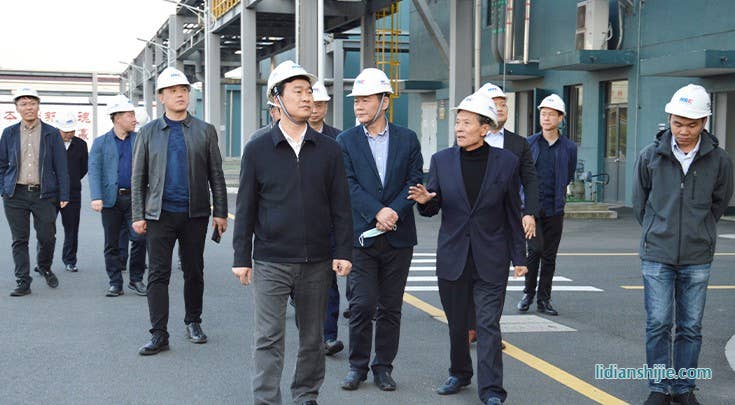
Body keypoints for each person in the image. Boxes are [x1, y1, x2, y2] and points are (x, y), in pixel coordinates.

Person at [232, 60, 353, 405]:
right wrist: (242, 257)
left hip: (316, 261)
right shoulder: (258, 149)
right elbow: (246, 206)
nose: (307, 98)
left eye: (309, 91)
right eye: (298, 91)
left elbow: (341, 205)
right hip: (271, 260)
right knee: (268, 337)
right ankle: (266, 399)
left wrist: (343, 251)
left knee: (313, 339)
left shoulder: (329, 149)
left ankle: (305, 395)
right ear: (277, 98)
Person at [409, 92, 527, 405]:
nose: (459, 128)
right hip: (453, 256)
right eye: (458, 122)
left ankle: (492, 390)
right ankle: (459, 372)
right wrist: (427, 201)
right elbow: (433, 207)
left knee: (487, 325)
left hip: (492, 256)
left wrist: (520, 256)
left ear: (485, 128)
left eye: (466, 123)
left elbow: (513, 212)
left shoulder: (506, 162)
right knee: (458, 324)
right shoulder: (442, 161)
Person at [633, 84, 733, 405]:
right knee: (658, 324)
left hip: (697, 255)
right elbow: (640, 203)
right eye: (678, 123)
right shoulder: (650, 156)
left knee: (690, 326)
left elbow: (719, 203)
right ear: (669, 119)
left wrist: (698, 230)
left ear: (704, 122)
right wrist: (657, 229)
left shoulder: (720, 160)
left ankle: (684, 388)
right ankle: (659, 388)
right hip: (657, 254)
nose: (684, 131)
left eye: (692, 124)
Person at [337, 68, 423, 392]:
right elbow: (348, 185)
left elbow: (414, 180)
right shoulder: (345, 141)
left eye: (365, 99)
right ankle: (357, 367)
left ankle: (383, 367)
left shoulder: (407, 139)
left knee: (390, 307)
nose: (358, 106)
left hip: (399, 238)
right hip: (362, 236)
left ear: (385, 101)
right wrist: (377, 211)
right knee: (361, 304)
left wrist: (393, 211)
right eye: (356, 100)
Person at [132, 67, 228, 355]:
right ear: (161, 97)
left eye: (184, 90)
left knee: (194, 270)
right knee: (158, 274)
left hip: (194, 214)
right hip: (159, 214)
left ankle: (193, 322)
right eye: (173, 91)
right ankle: (159, 334)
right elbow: (138, 177)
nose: (180, 95)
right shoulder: (148, 132)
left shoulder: (204, 130)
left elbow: (216, 175)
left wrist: (220, 211)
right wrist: (138, 214)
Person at [466, 83, 539, 343]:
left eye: (503, 104)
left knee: (495, 280)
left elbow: (530, 179)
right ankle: (471, 326)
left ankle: (489, 330)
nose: (500, 108)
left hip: (503, 222)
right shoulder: (468, 138)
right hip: (473, 222)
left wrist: (529, 212)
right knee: (469, 276)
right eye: (494, 104)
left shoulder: (519, 144)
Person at [0, 87, 69, 296]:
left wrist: (64, 194)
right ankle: (23, 281)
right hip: (15, 195)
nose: (28, 107)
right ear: (17, 108)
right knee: (19, 239)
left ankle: (44, 266)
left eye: (32, 103)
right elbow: (2, 164)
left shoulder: (51, 133)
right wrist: (4, 188)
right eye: (23, 104)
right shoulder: (9, 133)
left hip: (44, 194)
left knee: (47, 237)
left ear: (38, 106)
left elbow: (61, 166)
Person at [517, 94, 577, 316]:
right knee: (535, 250)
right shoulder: (529, 143)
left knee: (550, 256)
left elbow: (568, 174)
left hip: (555, 208)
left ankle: (544, 299)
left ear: (560, 118)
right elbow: (521, 175)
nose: (546, 118)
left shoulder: (569, 147)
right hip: (532, 210)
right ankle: (528, 294)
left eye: (551, 114)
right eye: (543, 114)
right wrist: (525, 207)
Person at [88, 95, 147, 297]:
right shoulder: (100, 143)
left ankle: (136, 279)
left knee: (139, 239)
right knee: (111, 243)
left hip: (136, 199)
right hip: (110, 200)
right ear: (117, 117)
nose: (134, 119)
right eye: (130, 115)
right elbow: (94, 170)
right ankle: (115, 282)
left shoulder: (140, 139)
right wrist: (96, 196)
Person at [309, 80, 345, 356]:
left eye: (320, 104)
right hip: (300, 223)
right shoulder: (290, 135)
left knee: (329, 282)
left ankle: (328, 335)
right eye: (312, 104)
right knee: (303, 285)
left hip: (330, 221)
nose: (315, 109)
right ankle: (310, 335)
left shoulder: (339, 139)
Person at [118, 107, 152, 271]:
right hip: (125, 192)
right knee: (125, 230)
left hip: (141, 192)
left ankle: (136, 267)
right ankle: (124, 260)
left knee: (139, 233)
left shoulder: (146, 138)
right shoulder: (119, 140)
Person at [55, 112, 88, 273]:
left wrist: (71, 180)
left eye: (72, 130)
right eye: (66, 131)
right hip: (51, 192)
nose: (69, 134)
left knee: (72, 228)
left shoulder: (81, 144)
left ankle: (70, 260)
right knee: (46, 230)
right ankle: (43, 261)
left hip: (72, 193)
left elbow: (83, 168)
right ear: (58, 129)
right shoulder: (49, 143)